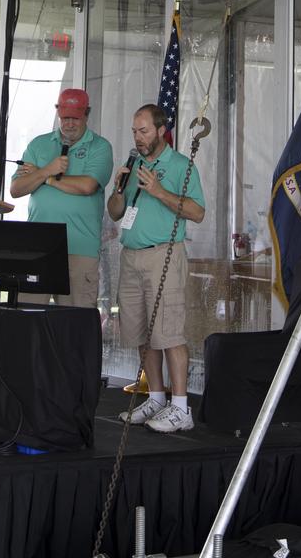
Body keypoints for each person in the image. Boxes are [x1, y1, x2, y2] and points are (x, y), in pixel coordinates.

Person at [108, 104, 205, 433]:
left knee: (169, 334)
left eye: (144, 131)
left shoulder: (180, 165)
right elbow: (115, 211)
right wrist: (119, 188)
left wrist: (160, 191)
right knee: (143, 334)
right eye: (134, 131)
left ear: (161, 130)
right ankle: (156, 396)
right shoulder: (134, 164)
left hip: (164, 254)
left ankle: (181, 407)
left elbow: (197, 212)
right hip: (131, 256)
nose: (138, 138)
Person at [10, 89, 113, 307]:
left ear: (87, 114)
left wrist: (46, 178)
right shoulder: (39, 144)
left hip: (80, 249)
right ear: (58, 113)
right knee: (28, 317)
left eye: (75, 118)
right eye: (65, 117)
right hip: (38, 247)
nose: (69, 124)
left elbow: (87, 186)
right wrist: (48, 169)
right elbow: (16, 189)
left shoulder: (100, 146)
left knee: (74, 324)